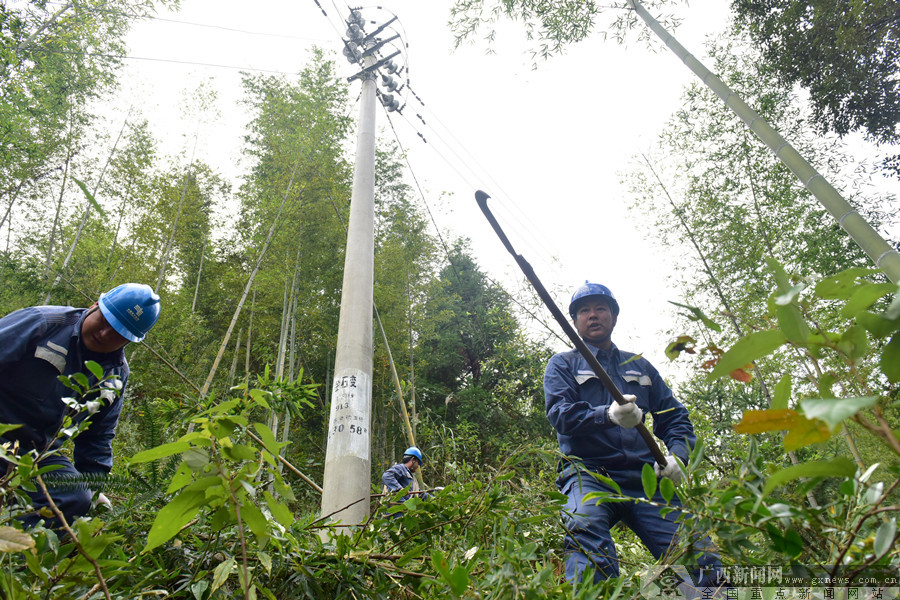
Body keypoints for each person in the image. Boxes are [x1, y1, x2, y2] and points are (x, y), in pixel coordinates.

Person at [544, 281, 724, 590]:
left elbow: (675, 417)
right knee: (584, 528)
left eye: (601, 308)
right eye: (584, 311)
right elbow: (560, 414)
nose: (593, 315)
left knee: (698, 553)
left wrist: (678, 457)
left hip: (647, 480)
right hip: (589, 475)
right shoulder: (563, 365)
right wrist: (607, 414)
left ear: (614, 316)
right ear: (574, 321)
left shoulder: (640, 366)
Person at [0, 283, 161, 528]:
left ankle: (15, 552)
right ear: (95, 306)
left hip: (35, 455)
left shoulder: (115, 377)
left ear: (130, 341)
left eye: (118, 332)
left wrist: (93, 492)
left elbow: (97, 436)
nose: (106, 334)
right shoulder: (43, 324)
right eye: (105, 321)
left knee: (77, 498)